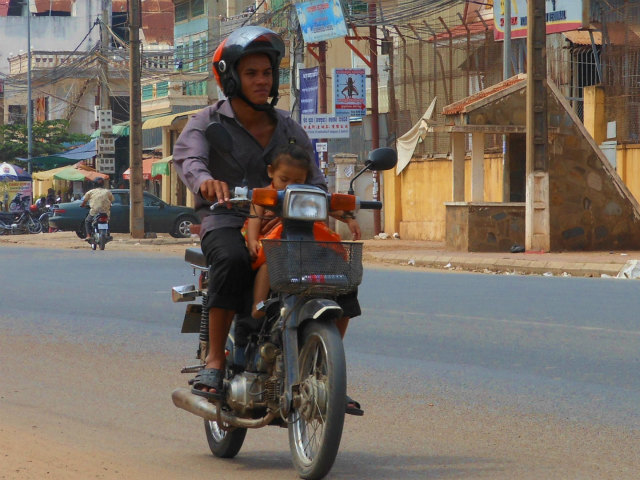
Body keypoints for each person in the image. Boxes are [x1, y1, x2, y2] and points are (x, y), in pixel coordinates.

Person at [172, 26, 364, 415]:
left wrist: (336, 204)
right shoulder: (207, 122)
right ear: (231, 78)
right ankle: (214, 363)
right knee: (232, 260)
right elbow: (188, 160)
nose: (262, 81)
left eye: (267, 73)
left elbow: (315, 179)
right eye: (251, 73)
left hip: (287, 223)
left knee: (337, 270)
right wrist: (205, 181)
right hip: (228, 218)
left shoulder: (289, 128)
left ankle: (327, 370)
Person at [246, 144, 353, 320]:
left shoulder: (307, 194)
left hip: (305, 237)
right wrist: (251, 240)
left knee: (336, 264)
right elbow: (254, 216)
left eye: (298, 181)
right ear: (271, 171)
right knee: (267, 264)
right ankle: (258, 304)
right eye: (284, 179)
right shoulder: (265, 194)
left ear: (306, 179)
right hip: (273, 241)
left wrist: (349, 218)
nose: (290, 186)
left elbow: (328, 206)